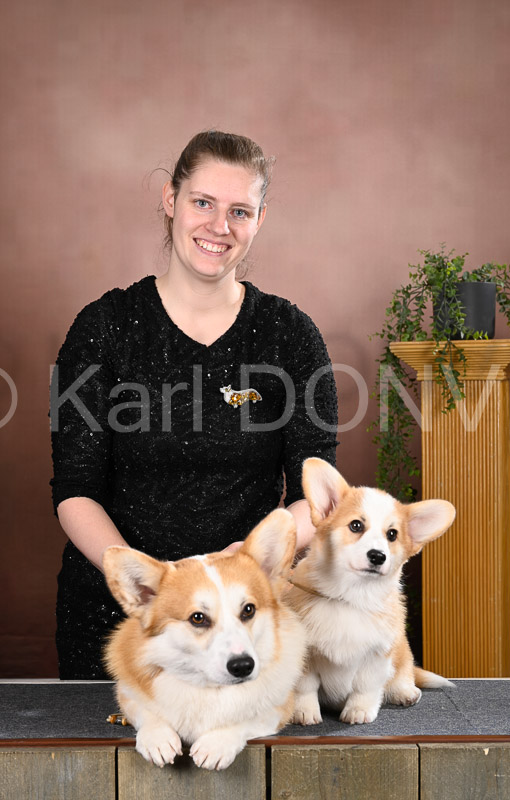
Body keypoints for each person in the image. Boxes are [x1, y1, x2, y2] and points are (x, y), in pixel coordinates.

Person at [50, 130, 338, 679]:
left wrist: (248, 560)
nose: (219, 226)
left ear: (259, 219)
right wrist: (150, 588)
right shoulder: (103, 327)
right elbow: (74, 490)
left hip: (245, 627)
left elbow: (316, 495)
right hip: (122, 622)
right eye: (203, 202)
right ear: (170, 199)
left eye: (239, 211)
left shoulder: (291, 335)